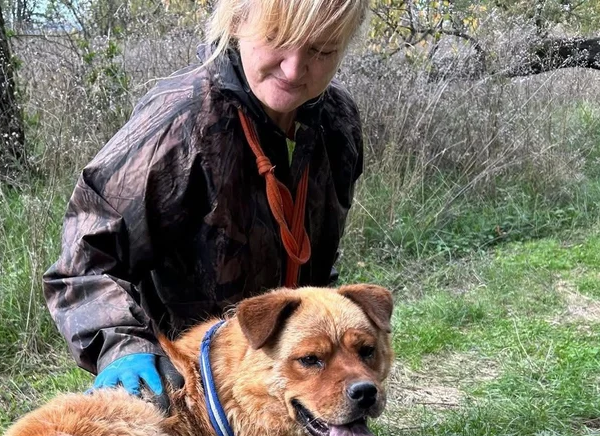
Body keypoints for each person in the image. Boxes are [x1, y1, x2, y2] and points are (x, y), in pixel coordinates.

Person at [44, 0, 369, 410]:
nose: (293, 68)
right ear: (236, 22)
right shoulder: (181, 121)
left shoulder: (337, 124)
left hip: (286, 375)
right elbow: (83, 264)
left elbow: (317, 262)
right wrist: (122, 345)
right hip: (190, 384)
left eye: (321, 51)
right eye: (276, 40)